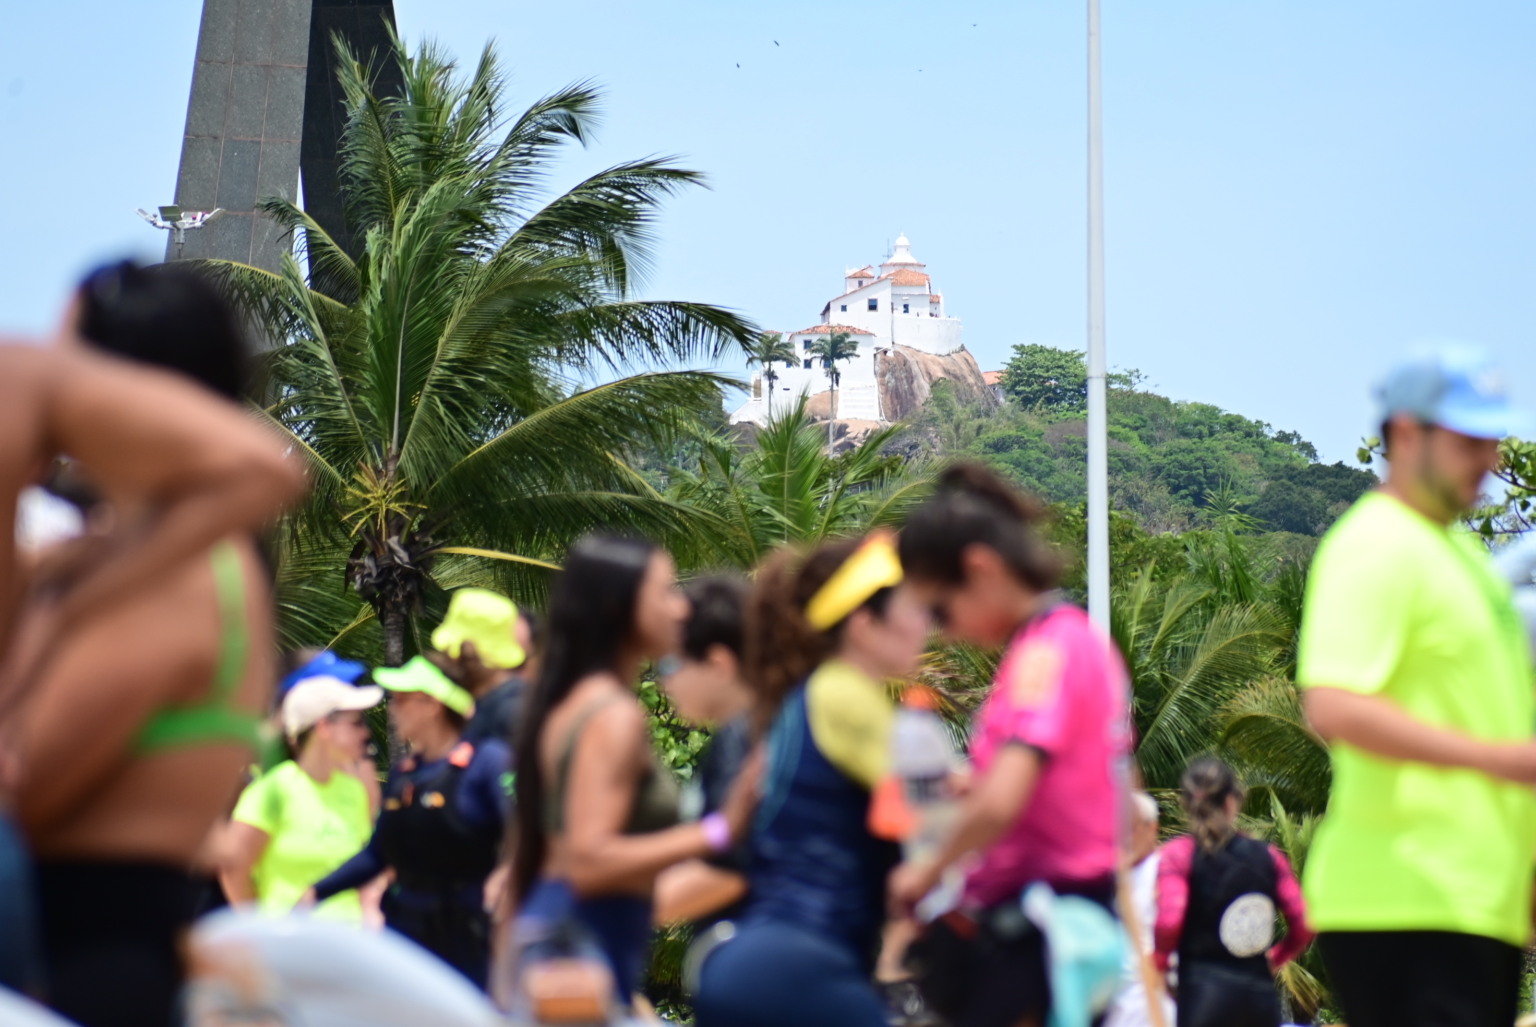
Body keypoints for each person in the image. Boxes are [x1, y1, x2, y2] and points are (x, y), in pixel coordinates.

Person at [1297, 345, 1536, 1027]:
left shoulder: (1458, 553)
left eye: (1492, 439)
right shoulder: (1374, 544)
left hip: (1472, 905)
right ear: (1405, 433)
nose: (1488, 458)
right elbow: (1334, 703)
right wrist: (1503, 760)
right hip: (1403, 902)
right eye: (1468, 439)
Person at [888, 463, 1130, 1027]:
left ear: (982, 569)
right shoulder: (1064, 642)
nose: (942, 631)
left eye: (940, 610)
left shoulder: (1046, 656)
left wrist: (924, 873)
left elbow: (1002, 805)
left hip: (1037, 933)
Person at [505, 535, 757, 1010]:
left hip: (569, 933)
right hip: (586, 941)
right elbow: (588, 857)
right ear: (620, 608)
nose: (680, 609)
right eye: (664, 592)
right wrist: (720, 832)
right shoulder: (612, 715)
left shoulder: (574, 701)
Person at [693, 532, 930, 1027]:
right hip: (804, 970)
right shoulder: (847, 695)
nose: (926, 624)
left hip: (761, 965)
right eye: (914, 608)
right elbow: (935, 821)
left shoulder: (808, 695)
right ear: (864, 624)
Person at [310, 656, 511, 989]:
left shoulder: (487, 763)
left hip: (466, 938)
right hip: (406, 933)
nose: (393, 709)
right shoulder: (406, 774)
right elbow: (377, 855)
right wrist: (315, 892)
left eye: (401, 699)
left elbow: (524, 839)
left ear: (431, 704)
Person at [1152, 759, 1311, 1027]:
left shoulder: (1178, 856)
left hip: (1202, 995)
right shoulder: (1268, 857)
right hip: (1258, 999)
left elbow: (1170, 920)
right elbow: (1304, 920)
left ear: (1187, 804)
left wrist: (1160, 963)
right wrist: (1276, 957)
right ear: (1234, 801)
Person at [220, 676, 381, 921]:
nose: (366, 733)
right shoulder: (272, 791)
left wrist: (371, 909)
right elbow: (233, 870)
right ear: (324, 727)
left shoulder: (356, 791)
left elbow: (370, 864)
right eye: (356, 723)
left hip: (351, 946)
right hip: (290, 950)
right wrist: (264, 932)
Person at [653, 575, 755, 930]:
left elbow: (732, 873)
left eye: (669, 665)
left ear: (718, 664)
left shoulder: (744, 740)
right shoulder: (745, 732)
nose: (663, 682)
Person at [430, 588, 533, 748]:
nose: (449, 658)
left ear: (474, 653)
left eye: (456, 651)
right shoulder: (490, 705)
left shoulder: (510, 712)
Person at [1104, 793, 1175, 1027]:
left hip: (1152, 998)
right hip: (1113, 998)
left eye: (1130, 828)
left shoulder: (1167, 876)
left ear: (1152, 827)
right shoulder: (1106, 877)